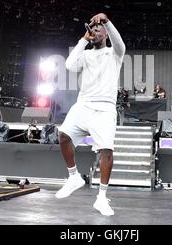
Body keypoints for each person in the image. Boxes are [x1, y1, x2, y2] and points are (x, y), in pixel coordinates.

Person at [56, 13, 126, 216]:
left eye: (98, 30)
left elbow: (120, 43)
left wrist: (106, 21)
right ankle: (73, 177)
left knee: (107, 150)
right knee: (63, 136)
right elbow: (69, 65)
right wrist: (83, 40)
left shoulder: (115, 53)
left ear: (105, 35)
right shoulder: (85, 55)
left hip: (104, 108)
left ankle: (102, 198)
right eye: (91, 30)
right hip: (83, 104)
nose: (94, 32)